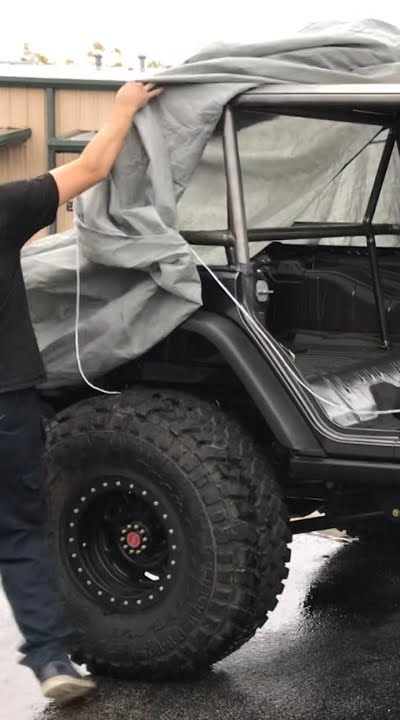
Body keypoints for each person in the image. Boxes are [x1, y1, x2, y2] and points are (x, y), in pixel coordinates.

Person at [0, 79, 162, 706]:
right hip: (8, 405)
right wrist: (123, 106)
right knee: (16, 535)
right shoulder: (6, 206)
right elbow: (94, 166)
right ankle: (50, 658)